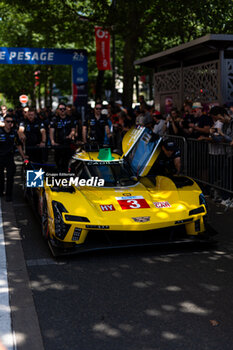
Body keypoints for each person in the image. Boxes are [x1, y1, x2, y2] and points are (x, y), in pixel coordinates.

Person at [0, 115, 26, 201]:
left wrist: (23, 156)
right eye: (8, 121)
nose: (10, 123)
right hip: (0, 158)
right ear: (4, 122)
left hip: (10, 158)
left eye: (11, 122)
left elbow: (18, 145)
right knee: (1, 177)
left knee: (10, 177)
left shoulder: (14, 133)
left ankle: (9, 195)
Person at [50, 103, 75, 171]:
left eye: (64, 109)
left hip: (67, 144)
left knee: (66, 162)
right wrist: (52, 141)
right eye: (61, 109)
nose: (62, 110)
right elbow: (51, 131)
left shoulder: (70, 118)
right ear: (58, 110)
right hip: (58, 144)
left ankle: (66, 177)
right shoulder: (54, 119)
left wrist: (70, 135)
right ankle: (59, 177)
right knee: (58, 162)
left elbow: (73, 130)